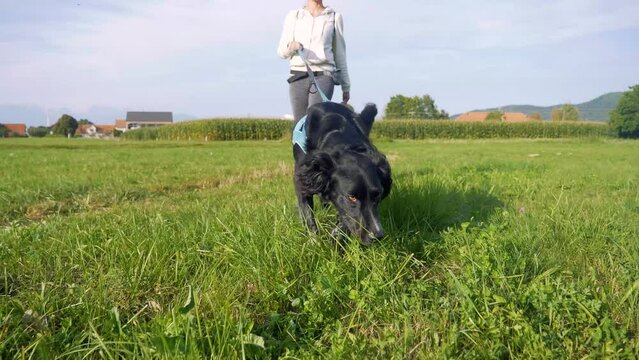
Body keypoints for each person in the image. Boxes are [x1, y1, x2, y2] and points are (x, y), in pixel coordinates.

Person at [277, 0, 351, 124]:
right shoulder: (294, 16)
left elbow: (340, 54)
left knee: (315, 123)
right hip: (297, 76)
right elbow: (281, 52)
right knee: (299, 126)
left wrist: (346, 86)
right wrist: (291, 46)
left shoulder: (334, 17)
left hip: (324, 76)